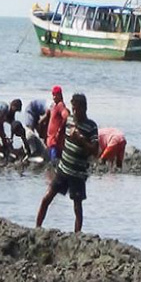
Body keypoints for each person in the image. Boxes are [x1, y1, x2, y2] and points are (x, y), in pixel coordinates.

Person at [36, 93, 99, 232]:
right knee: (47, 198)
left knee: (77, 206)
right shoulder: (70, 120)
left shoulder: (91, 126)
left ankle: (77, 235)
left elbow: (95, 151)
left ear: (84, 108)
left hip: (78, 173)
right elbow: (61, 135)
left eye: (78, 109)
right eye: (73, 108)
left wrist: (81, 139)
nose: (75, 112)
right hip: (63, 169)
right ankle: (37, 228)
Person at [45, 85, 70, 161]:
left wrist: (59, 131)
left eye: (55, 95)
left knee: (54, 163)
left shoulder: (60, 105)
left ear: (60, 95)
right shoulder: (54, 106)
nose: (54, 97)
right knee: (51, 163)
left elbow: (66, 116)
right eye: (53, 95)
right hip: (51, 140)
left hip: (55, 141)